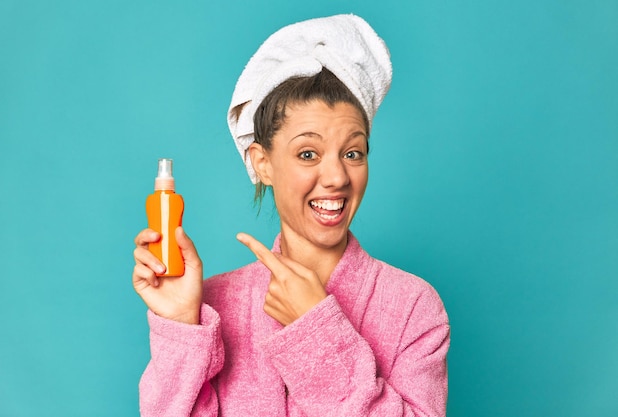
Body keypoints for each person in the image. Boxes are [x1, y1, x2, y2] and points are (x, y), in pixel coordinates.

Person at [132, 14, 450, 417]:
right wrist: (181, 325)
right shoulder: (210, 307)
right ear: (262, 163)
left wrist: (315, 329)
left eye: (353, 153)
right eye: (307, 154)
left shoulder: (414, 308)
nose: (336, 177)